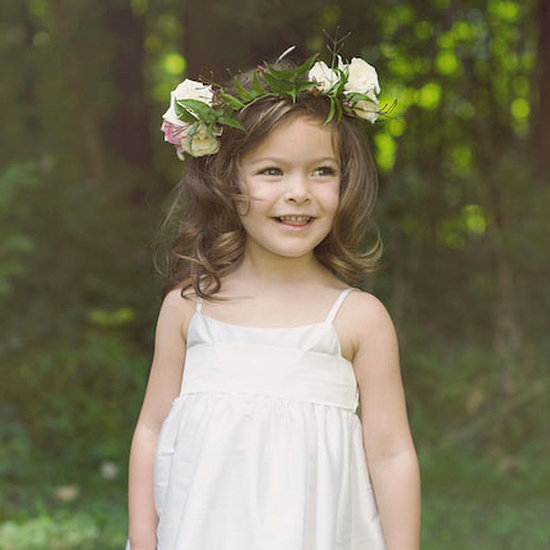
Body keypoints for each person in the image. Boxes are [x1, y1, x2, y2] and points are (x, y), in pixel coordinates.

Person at [126, 51, 421, 550]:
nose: (300, 192)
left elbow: (391, 454)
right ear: (225, 180)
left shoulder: (357, 320)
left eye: (322, 171)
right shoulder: (189, 307)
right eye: (272, 172)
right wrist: (142, 539)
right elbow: (152, 431)